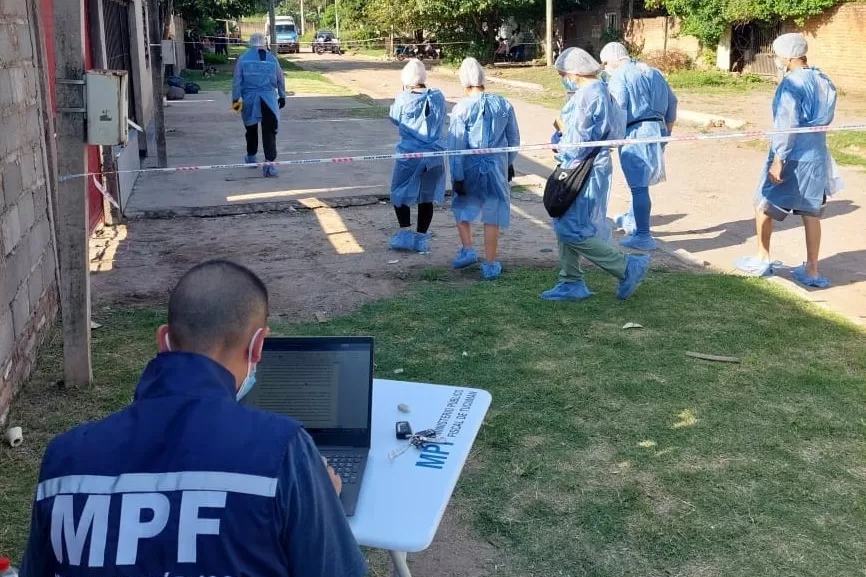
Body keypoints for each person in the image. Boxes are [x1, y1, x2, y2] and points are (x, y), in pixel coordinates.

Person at [20, 260, 367, 577]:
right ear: (258, 346)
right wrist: (322, 501)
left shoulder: (63, 461)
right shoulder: (283, 453)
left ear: (163, 340)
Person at [541, 48, 650, 302]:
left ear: (572, 72)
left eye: (562, 74)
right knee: (565, 219)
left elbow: (576, 140)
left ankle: (626, 267)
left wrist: (560, 144)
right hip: (594, 163)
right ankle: (570, 280)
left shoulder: (587, 95)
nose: (562, 78)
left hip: (582, 165)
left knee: (572, 228)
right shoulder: (602, 89)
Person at [734, 33, 837, 288]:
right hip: (816, 155)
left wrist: (779, 158)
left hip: (791, 154)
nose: (777, 59)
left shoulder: (791, 84)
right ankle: (812, 270)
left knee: (763, 203)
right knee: (812, 213)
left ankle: (762, 257)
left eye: (779, 54)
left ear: (789, 56)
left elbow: (786, 124)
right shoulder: (824, 80)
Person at [599, 41, 678, 252]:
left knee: (638, 186)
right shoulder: (653, 72)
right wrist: (667, 132)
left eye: (605, 62)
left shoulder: (620, 76)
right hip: (658, 130)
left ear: (614, 58)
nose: (605, 66)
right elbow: (673, 102)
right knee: (642, 182)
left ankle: (643, 234)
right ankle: (632, 219)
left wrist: (609, 140)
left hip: (636, 133)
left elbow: (619, 109)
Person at [448, 57, 520, 280]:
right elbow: (514, 139)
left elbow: (456, 145)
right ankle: (490, 263)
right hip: (497, 166)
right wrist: (507, 162)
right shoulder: (504, 104)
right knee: (493, 212)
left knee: (461, 204)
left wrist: (457, 174)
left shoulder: (461, 108)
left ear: (463, 81)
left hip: (469, 165)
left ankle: (468, 249)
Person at [388, 59, 447, 253]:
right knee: (426, 197)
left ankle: (404, 233)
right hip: (434, 155)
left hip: (409, 154)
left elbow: (395, 118)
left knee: (399, 192)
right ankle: (421, 238)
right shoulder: (437, 96)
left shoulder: (403, 98)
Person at [232, 33, 287, 178]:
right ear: (264, 43)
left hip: (249, 100)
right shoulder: (272, 58)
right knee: (269, 132)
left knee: (250, 129)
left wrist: (235, 101)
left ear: (250, 43)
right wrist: (282, 96)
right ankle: (269, 166)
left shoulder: (242, 59)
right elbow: (281, 79)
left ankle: (251, 158)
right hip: (269, 100)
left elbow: (237, 82)